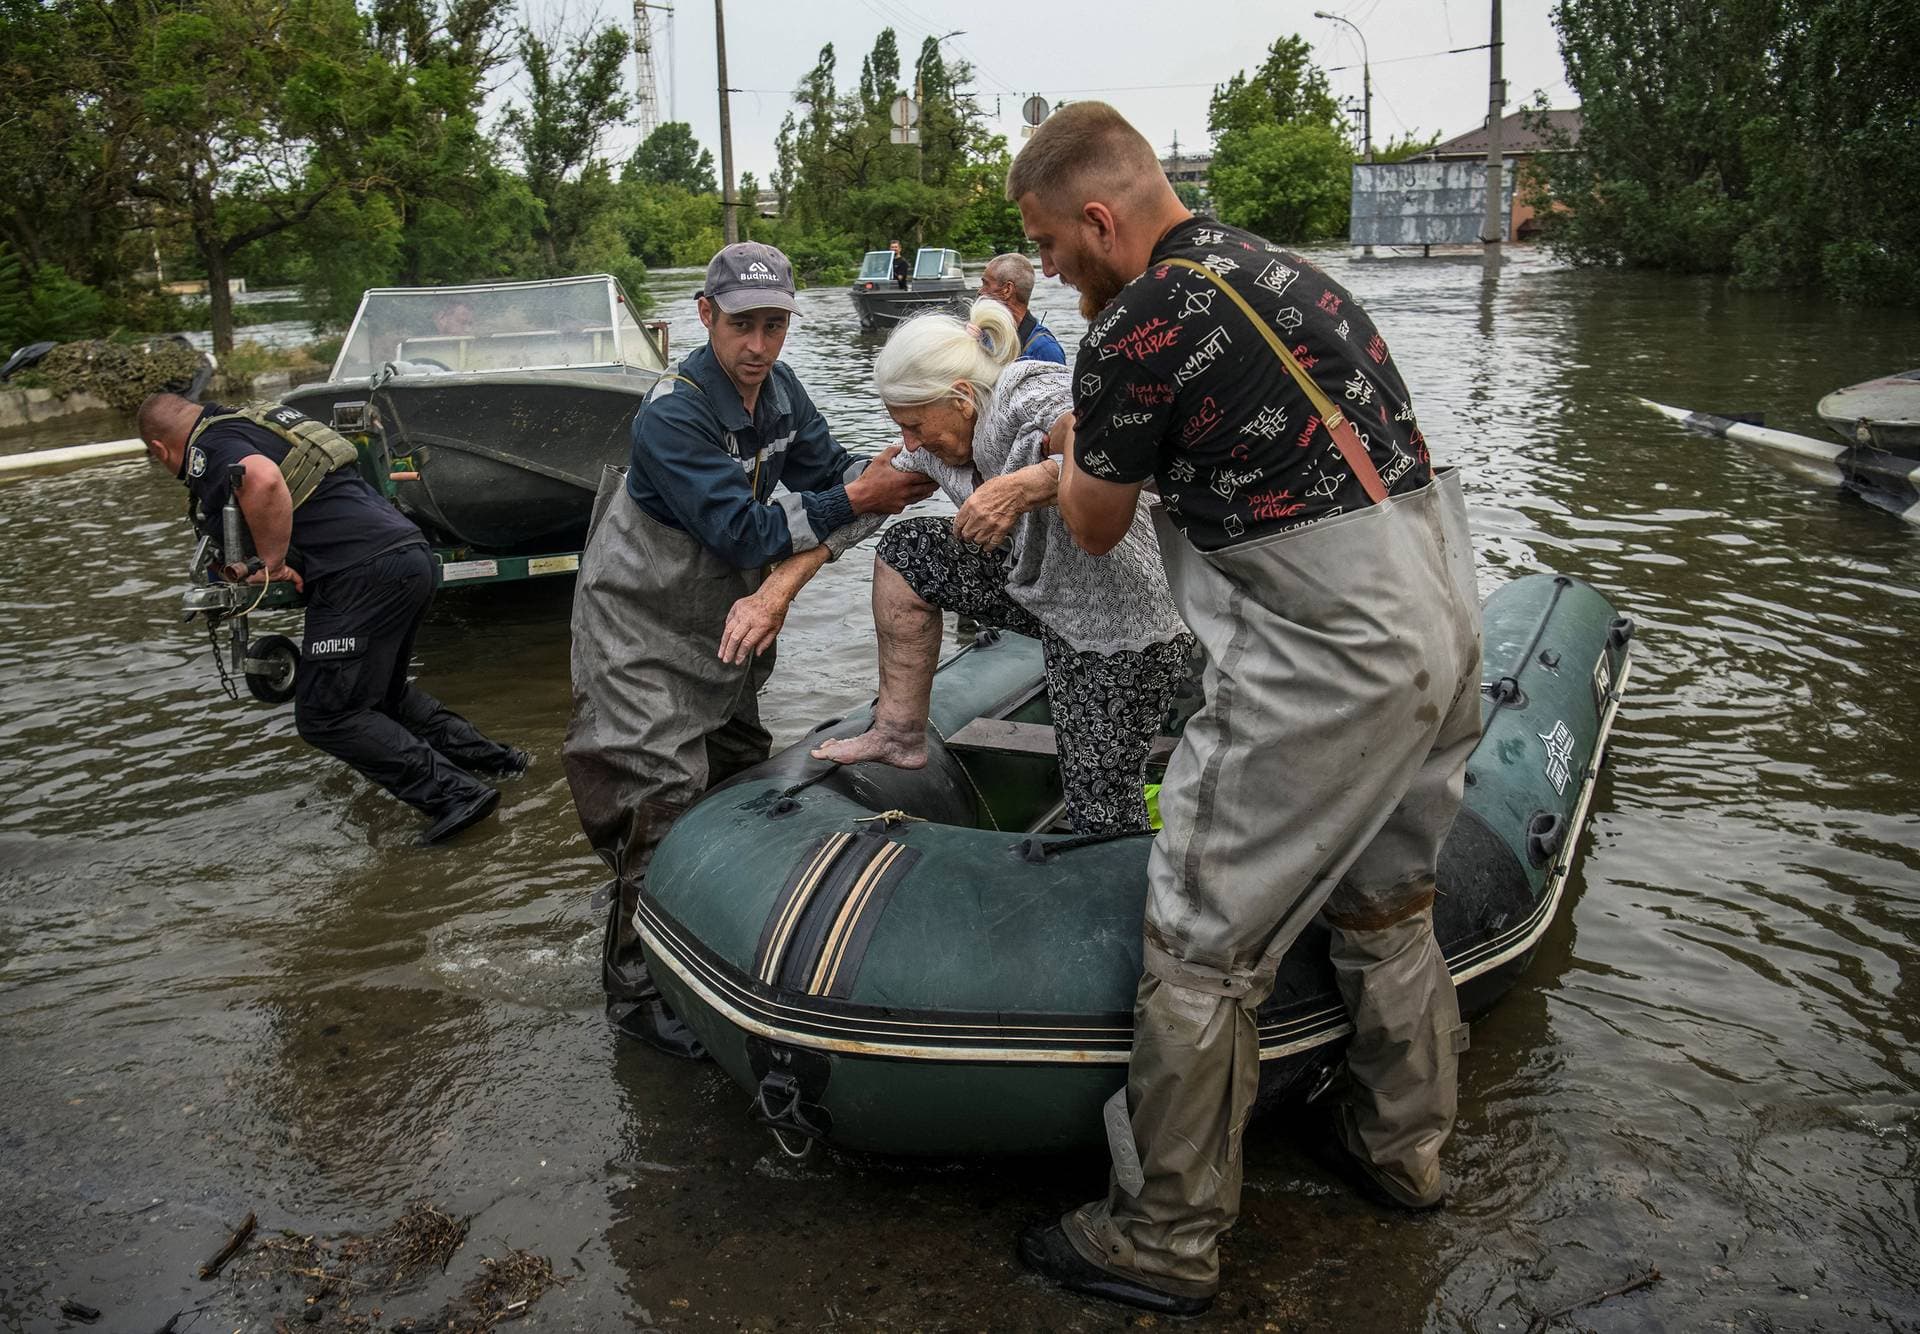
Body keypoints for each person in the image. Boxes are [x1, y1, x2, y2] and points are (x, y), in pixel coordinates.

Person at [1007, 102, 1483, 1315]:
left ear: (1100, 218)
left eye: (1054, 249)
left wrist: (1075, 442)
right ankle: (1405, 1153)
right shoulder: (1291, 271)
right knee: (1390, 898)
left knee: (1201, 935)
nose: (1054, 275)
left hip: (1328, 654)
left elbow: (1096, 521)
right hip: (1442, 608)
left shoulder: (1134, 328)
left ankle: (1162, 1234)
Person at [563, 242, 937, 1056]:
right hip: (638, 623)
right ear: (706, 317)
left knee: (737, 768)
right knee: (657, 793)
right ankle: (634, 996)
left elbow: (823, 469)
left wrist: (884, 467)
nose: (758, 346)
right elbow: (746, 528)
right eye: (742, 325)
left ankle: (704, 928)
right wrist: (857, 494)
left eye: (774, 326)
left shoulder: (781, 390)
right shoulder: (674, 410)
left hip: (719, 619)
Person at [809, 299, 1192, 834]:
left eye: (915, 425)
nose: (910, 443)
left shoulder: (1024, 389)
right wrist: (777, 589)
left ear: (961, 398)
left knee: (1099, 808)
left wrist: (1024, 484)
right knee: (907, 549)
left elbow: (1119, 443)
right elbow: (870, 504)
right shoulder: (935, 447)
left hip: (1121, 623)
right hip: (1040, 594)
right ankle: (898, 733)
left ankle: (1130, 889)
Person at [139, 392, 524, 845]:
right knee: (381, 697)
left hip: (361, 574)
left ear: (160, 449)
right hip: (406, 556)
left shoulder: (210, 447)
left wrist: (273, 559)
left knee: (326, 715)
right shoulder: (249, 422)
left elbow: (261, 480)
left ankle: (455, 796)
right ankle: (499, 763)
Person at [978, 253, 1066, 364]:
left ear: (1007, 290)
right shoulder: (984, 335)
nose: (980, 291)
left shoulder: (1044, 349)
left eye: (986, 284)